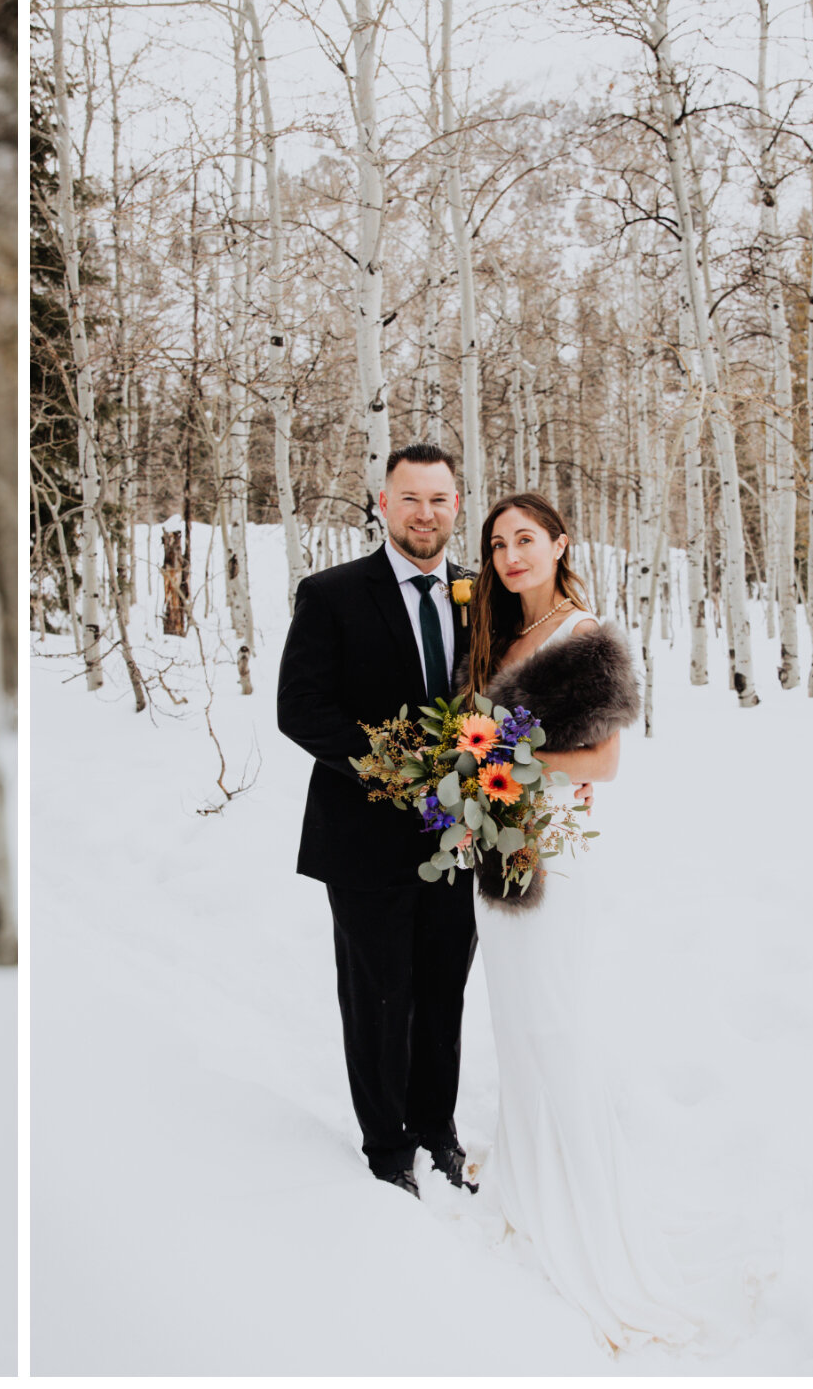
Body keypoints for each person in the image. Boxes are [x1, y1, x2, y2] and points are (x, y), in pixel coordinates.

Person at [468, 490, 752, 1352]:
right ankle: (523, 1171)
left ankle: (578, 1205)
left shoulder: (581, 637)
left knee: (554, 1024)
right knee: (514, 1022)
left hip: (556, 856)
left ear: (559, 544)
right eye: (496, 543)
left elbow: (602, 760)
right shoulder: (496, 635)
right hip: (500, 849)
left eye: (525, 539)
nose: (510, 554)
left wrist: (502, 752)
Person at [275, 442, 480, 1199]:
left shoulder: (478, 593)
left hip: (458, 835)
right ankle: (387, 1148)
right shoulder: (330, 593)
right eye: (409, 498)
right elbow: (300, 709)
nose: (424, 512)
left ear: (455, 505)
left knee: (441, 994)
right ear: (383, 503)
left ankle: (438, 1131)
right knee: (378, 995)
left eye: (438, 498)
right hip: (362, 835)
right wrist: (397, 769)